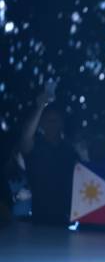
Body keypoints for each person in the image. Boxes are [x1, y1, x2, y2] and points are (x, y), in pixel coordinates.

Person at [20, 89, 79, 226]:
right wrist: (40, 107)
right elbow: (25, 138)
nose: (51, 124)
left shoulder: (70, 150)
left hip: (65, 220)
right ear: (40, 123)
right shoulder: (35, 147)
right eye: (47, 120)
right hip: (38, 218)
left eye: (55, 121)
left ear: (61, 123)